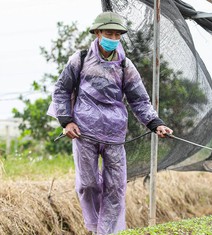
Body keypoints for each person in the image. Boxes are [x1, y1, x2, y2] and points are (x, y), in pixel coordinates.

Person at [47, 11, 173, 234]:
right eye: (108, 33)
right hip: (83, 132)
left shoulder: (125, 65)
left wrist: (155, 123)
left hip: (114, 134)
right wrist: (66, 121)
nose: (113, 38)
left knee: (115, 188)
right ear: (97, 33)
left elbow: (139, 99)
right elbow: (62, 90)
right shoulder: (81, 59)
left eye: (117, 34)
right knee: (87, 185)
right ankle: (96, 227)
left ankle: (107, 232)